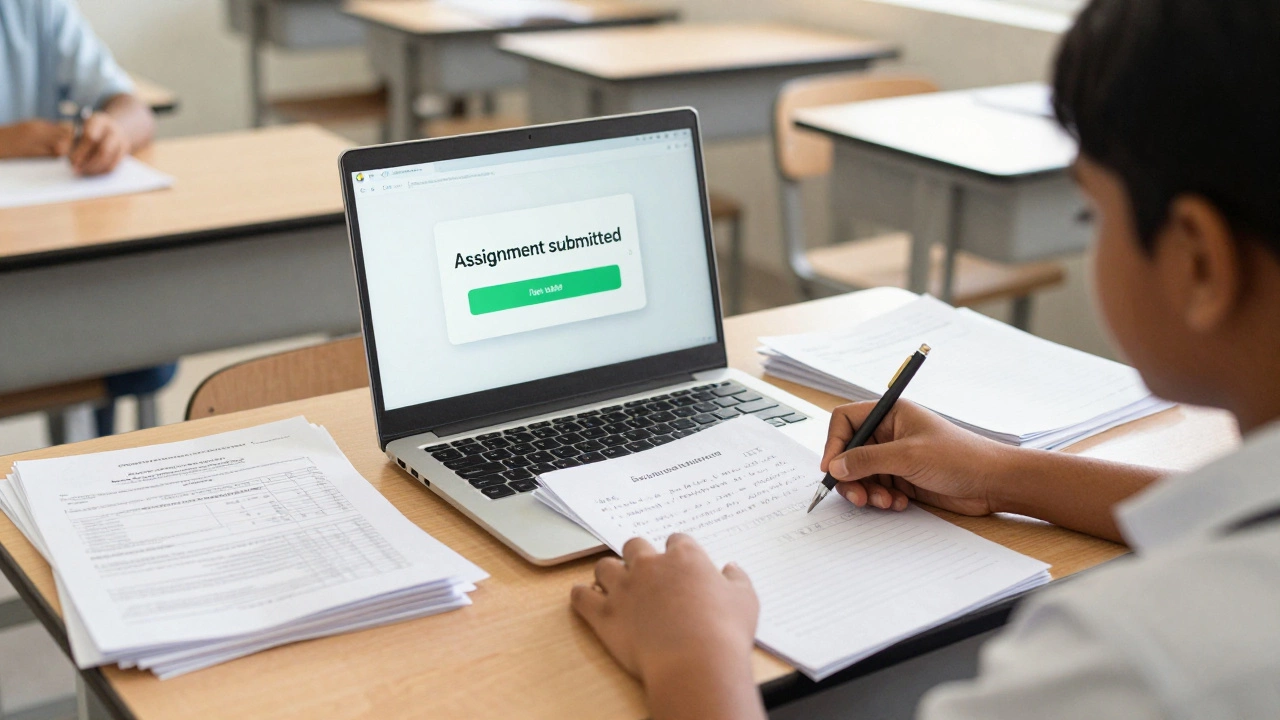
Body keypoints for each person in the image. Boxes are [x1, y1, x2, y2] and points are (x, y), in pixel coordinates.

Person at [568, 0, 1280, 717]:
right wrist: (999, 474)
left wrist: (692, 654)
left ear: (1200, 263)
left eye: (1090, 214)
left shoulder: (1135, 661)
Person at [2, 0, 170, 438]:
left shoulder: (34, 9)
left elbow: (132, 108)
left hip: (39, 263)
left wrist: (114, 132)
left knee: (131, 337)